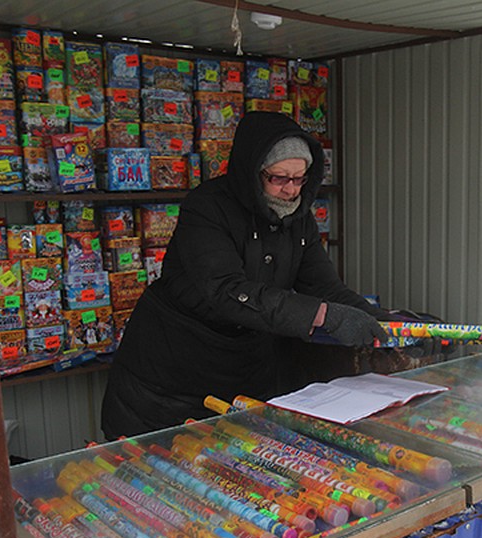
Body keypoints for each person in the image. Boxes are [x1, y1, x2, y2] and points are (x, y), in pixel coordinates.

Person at [102, 111, 387, 439]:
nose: (291, 190)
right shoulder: (206, 208)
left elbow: (325, 287)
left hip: (243, 367)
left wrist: (389, 324)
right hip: (171, 374)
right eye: (279, 178)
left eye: (299, 179)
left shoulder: (299, 219)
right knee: (162, 460)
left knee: (236, 458)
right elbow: (227, 290)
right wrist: (322, 315)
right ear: (253, 171)